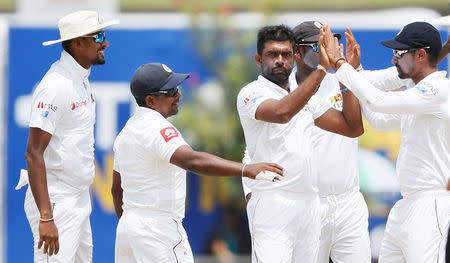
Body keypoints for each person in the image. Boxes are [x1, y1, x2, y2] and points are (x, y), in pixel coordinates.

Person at [111, 62, 284, 263]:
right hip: (158, 229)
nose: (178, 95)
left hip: (128, 230)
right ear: (151, 100)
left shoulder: (126, 132)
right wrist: (246, 169)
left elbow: (117, 190)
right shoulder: (156, 127)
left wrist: (133, 228)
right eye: (171, 91)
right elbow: (192, 160)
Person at [322, 22, 450, 263]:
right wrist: (356, 70)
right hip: (406, 205)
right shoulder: (418, 94)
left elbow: (377, 101)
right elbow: (378, 118)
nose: (393, 60)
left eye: (399, 54)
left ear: (421, 55)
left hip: (432, 204)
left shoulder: (438, 90)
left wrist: (339, 64)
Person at [237, 24, 363, 263]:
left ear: (294, 57)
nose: (280, 61)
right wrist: (323, 69)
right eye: (272, 54)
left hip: (309, 204)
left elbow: (352, 128)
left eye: (285, 54)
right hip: (273, 203)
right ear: (258, 59)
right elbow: (281, 113)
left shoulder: (305, 99)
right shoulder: (251, 93)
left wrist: (347, 72)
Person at [17, 10, 119, 262]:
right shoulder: (55, 85)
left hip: (78, 198)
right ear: (77, 43)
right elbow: (33, 153)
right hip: (57, 202)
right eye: (98, 37)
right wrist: (46, 216)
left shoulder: (79, 79)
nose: (105, 43)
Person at [292, 21, 371, 263]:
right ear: (297, 52)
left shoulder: (342, 78)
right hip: (308, 204)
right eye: (318, 44)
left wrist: (348, 71)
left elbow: (355, 127)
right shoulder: (285, 92)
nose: (327, 49)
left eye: (329, 41)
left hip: (349, 202)